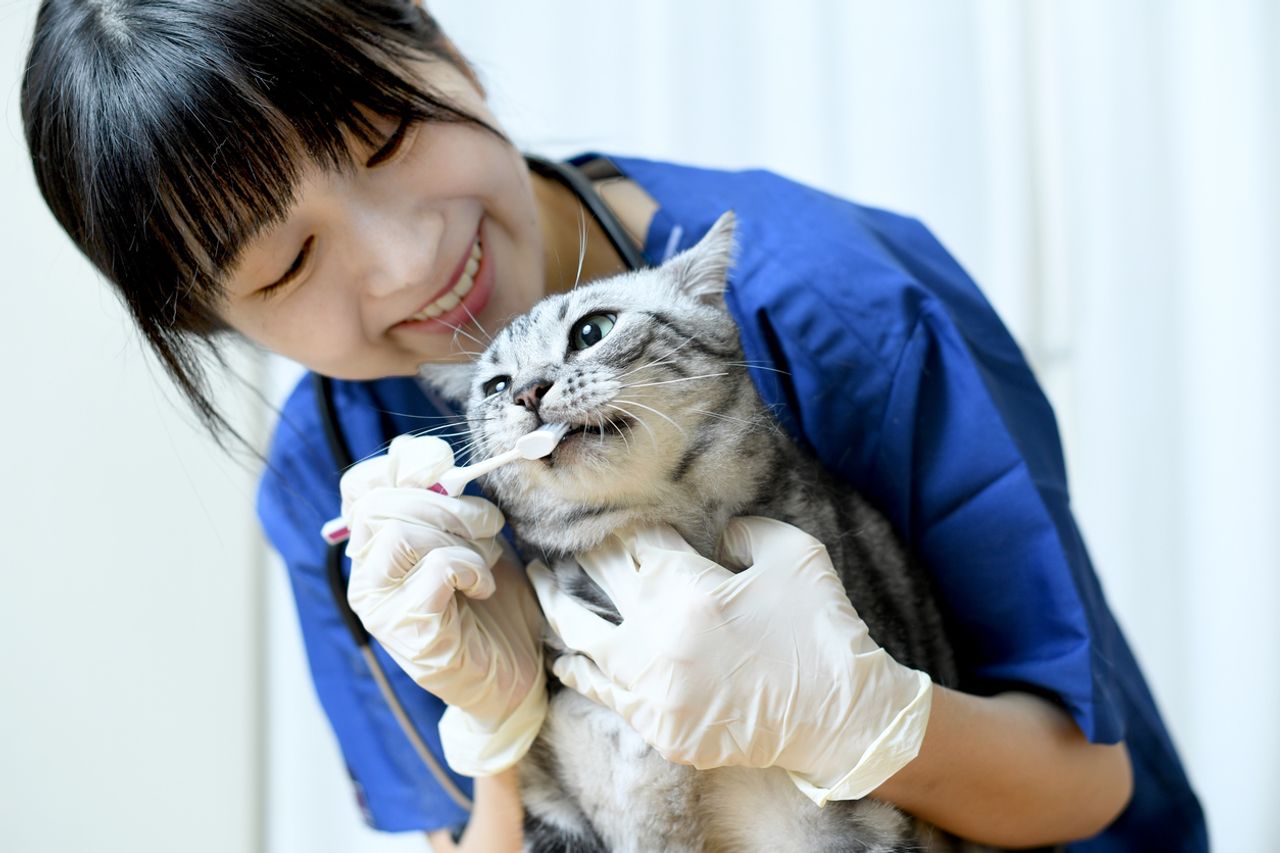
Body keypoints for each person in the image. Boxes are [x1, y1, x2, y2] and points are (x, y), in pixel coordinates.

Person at [21, 1, 1206, 850]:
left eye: (386, 136)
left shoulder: (836, 302)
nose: (408, 262)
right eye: (289, 266)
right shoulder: (334, 480)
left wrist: (866, 722)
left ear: (440, 47)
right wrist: (496, 728)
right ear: (215, 321)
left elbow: (1081, 784)